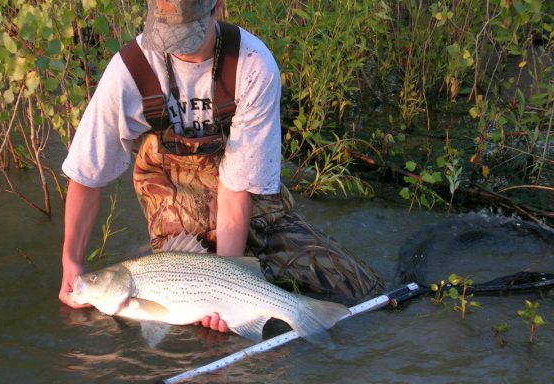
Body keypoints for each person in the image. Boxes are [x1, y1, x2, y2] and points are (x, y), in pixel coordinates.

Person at [59, 0, 383, 333]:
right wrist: (72, 263)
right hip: (177, 225)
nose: (176, 48)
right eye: (167, 33)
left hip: (247, 208)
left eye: (186, 34)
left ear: (218, 7)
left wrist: (228, 287)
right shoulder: (129, 69)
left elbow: (238, 186)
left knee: (361, 290)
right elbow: (87, 173)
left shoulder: (252, 65)